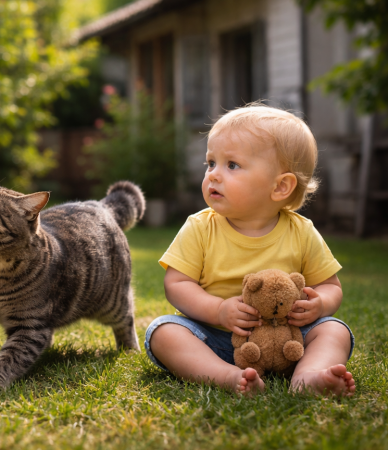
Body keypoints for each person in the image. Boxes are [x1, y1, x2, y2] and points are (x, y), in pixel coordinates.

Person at [145, 104, 356, 396]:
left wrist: (319, 304)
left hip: (289, 341)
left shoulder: (301, 231)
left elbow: (330, 286)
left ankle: (308, 376)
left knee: (335, 330)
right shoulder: (200, 227)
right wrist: (218, 311)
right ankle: (228, 376)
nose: (214, 175)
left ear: (280, 186)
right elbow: (177, 284)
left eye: (231, 165)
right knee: (163, 331)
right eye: (211, 163)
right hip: (217, 339)